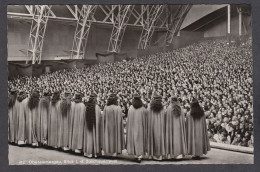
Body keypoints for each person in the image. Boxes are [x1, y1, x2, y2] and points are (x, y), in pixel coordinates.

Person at [126, 94, 148, 162]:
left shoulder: (131, 108)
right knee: (140, 140)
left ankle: (136, 155)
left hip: (133, 128)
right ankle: (140, 156)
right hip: (141, 128)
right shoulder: (143, 109)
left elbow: (128, 120)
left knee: (134, 140)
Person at [83, 93, 102, 158]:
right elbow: (99, 118)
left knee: (88, 137)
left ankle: (87, 152)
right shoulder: (97, 107)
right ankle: (94, 153)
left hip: (88, 125)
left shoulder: (86, 107)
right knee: (94, 137)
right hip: (94, 125)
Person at [147, 94, 166, 160]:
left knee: (152, 139)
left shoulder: (150, 109)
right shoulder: (163, 109)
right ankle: (160, 155)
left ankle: (152, 154)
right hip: (160, 127)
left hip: (152, 126)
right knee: (160, 139)